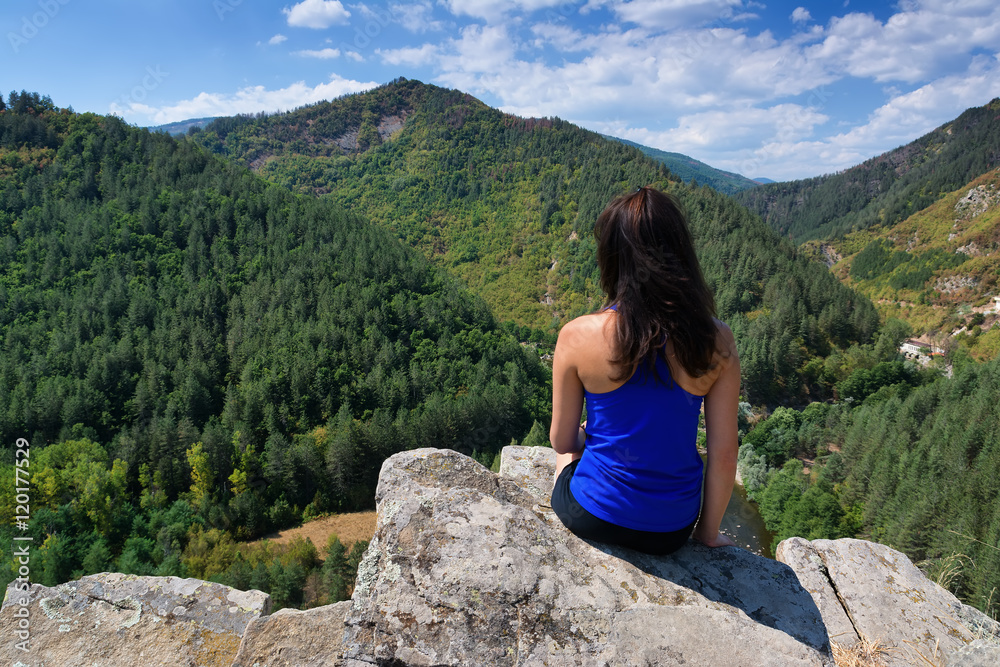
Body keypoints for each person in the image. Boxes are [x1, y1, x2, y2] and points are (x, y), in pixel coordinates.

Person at [549, 186, 740, 555]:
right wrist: (706, 533)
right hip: (671, 531)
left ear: (611, 257)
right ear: (681, 253)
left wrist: (588, 438)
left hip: (591, 515)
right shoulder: (716, 340)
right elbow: (724, 454)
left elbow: (561, 441)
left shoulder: (577, 336)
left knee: (569, 454)